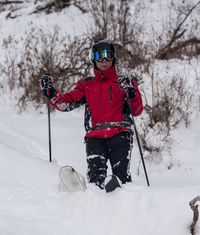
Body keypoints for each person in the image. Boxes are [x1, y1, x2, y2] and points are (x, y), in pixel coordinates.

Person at [40, 40, 143, 189]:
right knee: (96, 176)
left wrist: (131, 93)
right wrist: (52, 94)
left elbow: (137, 110)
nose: (104, 60)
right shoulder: (86, 85)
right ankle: (93, 198)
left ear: (113, 58)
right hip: (95, 137)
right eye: (100, 56)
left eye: (108, 55)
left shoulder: (124, 82)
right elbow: (67, 102)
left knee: (121, 176)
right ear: (93, 58)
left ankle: (123, 199)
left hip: (120, 134)